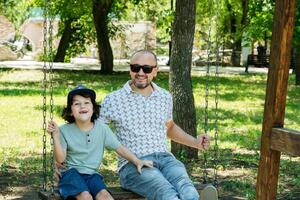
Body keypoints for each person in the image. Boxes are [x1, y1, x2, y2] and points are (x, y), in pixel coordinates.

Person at [99, 50, 218, 200]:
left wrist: (195, 142)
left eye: (146, 69)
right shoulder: (113, 100)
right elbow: (97, 133)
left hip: (166, 159)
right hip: (133, 164)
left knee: (187, 188)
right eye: (135, 68)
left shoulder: (164, 97)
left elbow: (169, 127)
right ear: (130, 69)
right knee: (166, 192)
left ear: (155, 71)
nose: (140, 72)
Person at [47, 84, 153, 200]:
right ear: (71, 111)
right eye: (77, 104)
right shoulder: (63, 130)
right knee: (86, 196)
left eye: (87, 102)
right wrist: (56, 136)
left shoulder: (102, 128)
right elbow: (60, 159)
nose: (82, 106)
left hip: (92, 174)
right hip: (70, 174)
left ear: (93, 109)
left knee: (105, 196)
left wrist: (137, 161)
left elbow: (119, 148)